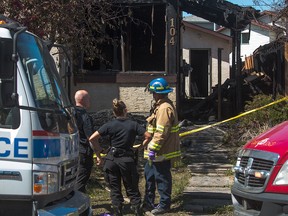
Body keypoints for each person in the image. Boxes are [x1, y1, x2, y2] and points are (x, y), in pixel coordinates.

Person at [89, 98, 151, 216]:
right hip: (127, 160)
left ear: (114, 113)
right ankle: (137, 209)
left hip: (111, 160)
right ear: (125, 111)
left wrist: (99, 153)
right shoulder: (133, 124)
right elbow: (148, 136)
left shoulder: (109, 125)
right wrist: (140, 147)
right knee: (132, 187)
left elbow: (92, 138)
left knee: (115, 188)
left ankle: (118, 211)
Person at [142, 77, 181, 215]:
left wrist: (152, 148)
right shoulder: (159, 106)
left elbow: (161, 132)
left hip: (161, 151)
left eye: (153, 92)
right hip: (155, 151)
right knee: (149, 176)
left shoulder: (164, 108)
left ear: (158, 93)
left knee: (162, 177)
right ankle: (148, 201)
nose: (152, 95)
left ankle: (164, 204)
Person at [74, 89, 94, 193]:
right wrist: (98, 153)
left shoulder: (70, 114)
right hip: (83, 151)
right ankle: (77, 200)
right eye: (88, 98)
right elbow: (90, 138)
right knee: (81, 178)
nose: (90, 100)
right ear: (83, 100)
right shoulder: (85, 116)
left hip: (71, 151)